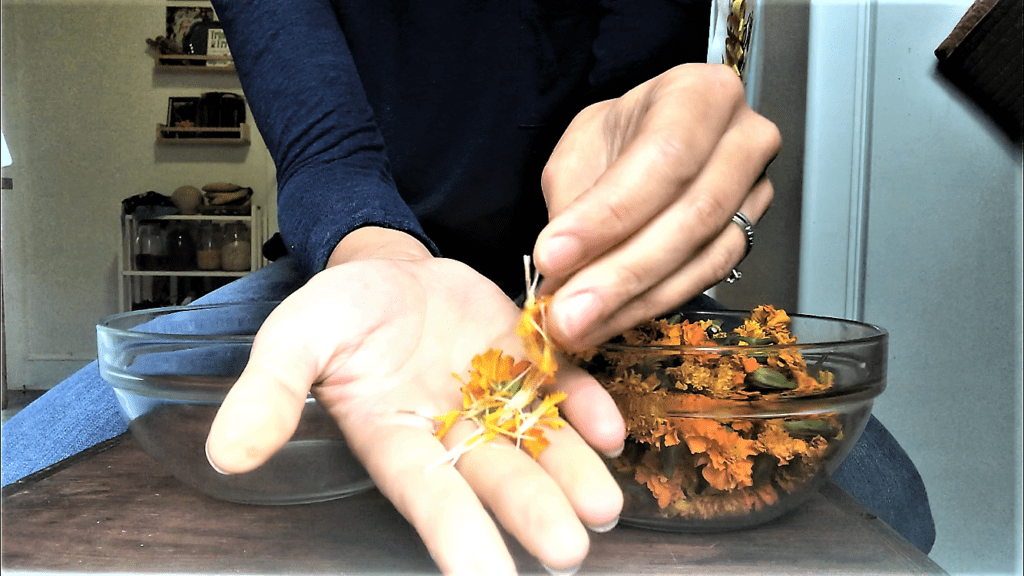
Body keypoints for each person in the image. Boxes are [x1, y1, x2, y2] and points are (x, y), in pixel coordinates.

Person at [1, 1, 934, 574]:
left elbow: (637, 90)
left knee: (897, 499)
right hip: (351, 274)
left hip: (589, 299)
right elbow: (327, 153)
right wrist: (385, 262)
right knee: (20, 468)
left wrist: (657, 187)